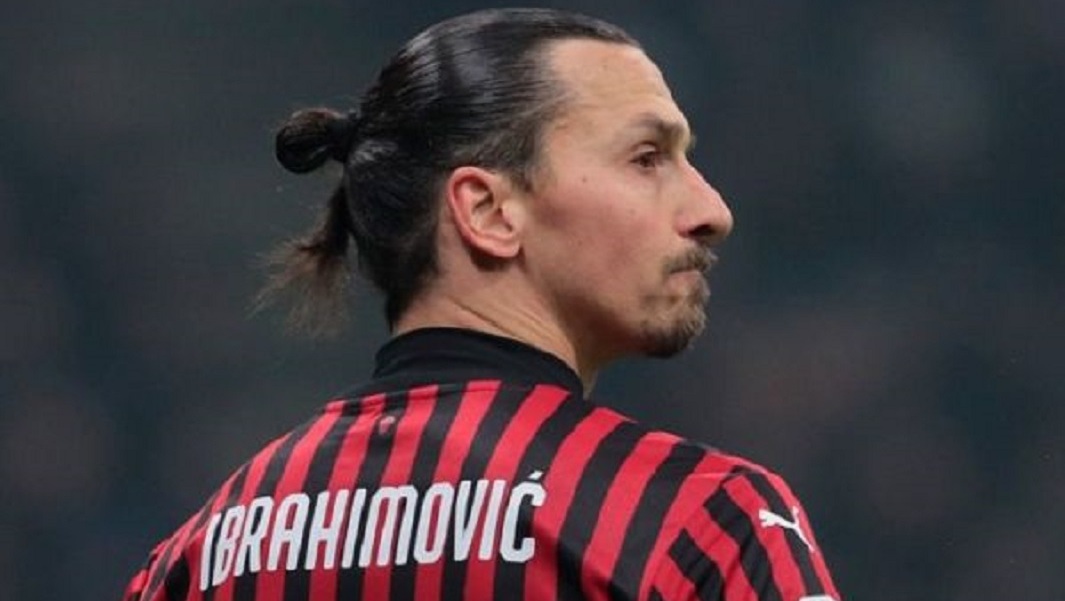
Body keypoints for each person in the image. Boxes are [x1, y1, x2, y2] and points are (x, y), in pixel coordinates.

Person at [124, 8, 841, 601]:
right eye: (647, 158)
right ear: (489, 210)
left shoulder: (200, 555)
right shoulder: (699, 520)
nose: (712, 211)